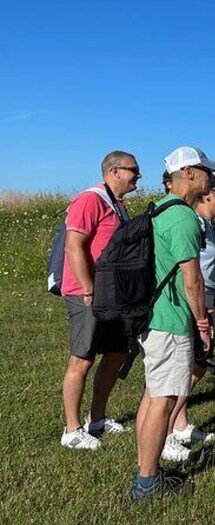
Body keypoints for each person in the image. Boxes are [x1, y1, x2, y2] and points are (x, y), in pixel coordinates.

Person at [131, 146, 215, 500]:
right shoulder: (183, 218)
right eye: (205, 171)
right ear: (188, 174)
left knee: (153, 395)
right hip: (171, 320)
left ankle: (145, 469)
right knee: (164, 400)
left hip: (153, 317)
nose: (211, 178)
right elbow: (192, 280)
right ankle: (147, 481)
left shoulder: (159, 210)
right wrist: (202, 322)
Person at [60, 151, 139, 449]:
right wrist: (88, 289)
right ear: (115, 171)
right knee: (82, 359)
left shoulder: (117, 204)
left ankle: (97, 418)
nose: (138, 176)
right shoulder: (89, 200)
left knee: (117, 354)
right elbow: (73, 246)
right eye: (134, 170)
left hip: (112, 294)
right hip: (88, 294)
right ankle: (71, 429)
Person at [164, 169, 215, 460]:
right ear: (208, 193)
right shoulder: (194, 223)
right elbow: (189, 271)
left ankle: (180, 423)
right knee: (188, 365)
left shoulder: (209, 225)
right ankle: (168, 430)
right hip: (194, 299)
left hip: (208, 297)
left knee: (197, 364)